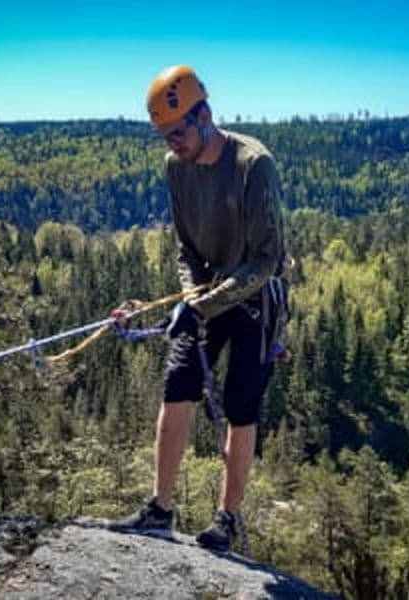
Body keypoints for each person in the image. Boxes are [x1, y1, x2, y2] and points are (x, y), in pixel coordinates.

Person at [109, 64, 286, 552]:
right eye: (164, 135)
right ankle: (159, 508)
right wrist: (191, 298)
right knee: (177, 386)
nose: (173, 144)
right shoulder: (175, 168)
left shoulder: (253, 164)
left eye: (179, 131)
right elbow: (185, 247)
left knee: (240, 406)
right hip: (205, 292)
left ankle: (227, 519)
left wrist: (201, 306)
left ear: (205, 114)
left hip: (255, 298)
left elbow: (267, 259)